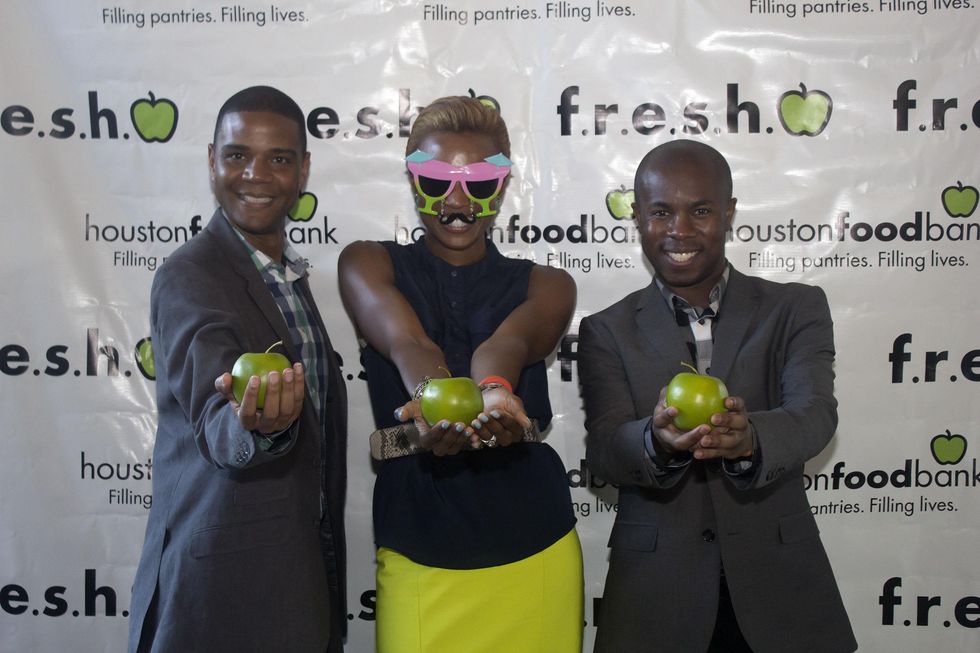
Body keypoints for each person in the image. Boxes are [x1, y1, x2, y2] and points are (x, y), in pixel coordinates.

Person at [578, 140, 856, 653]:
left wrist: (750, 439)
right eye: (661, 212)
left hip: (782, 596)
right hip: (655, 600)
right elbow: (604, 448)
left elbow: (815, 413)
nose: (680, 230)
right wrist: (656, 441)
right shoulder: (605, 330)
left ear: (728, 213)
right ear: (637, 217)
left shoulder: (795, 307)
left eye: (700, 210)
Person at [338, 96, 583, 652]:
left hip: (535, 543)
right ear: (411, 178)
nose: (456, 201)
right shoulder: (368, 263)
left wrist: (495, 393)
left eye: (477, 183)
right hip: (418, 540)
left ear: (501, 187)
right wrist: (431, 399)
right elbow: (409, 341)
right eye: (435, 180)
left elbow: (509, 342)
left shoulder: (547, 283)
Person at [128, 86, 348, 652]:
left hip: (297, 581)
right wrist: (257, 424)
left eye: (278, 158)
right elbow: (214, 411)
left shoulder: (289, 279)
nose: (255, 174)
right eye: (236, 155)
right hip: (222, 593)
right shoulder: (191, 275)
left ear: (303, 170)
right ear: (211, 161)